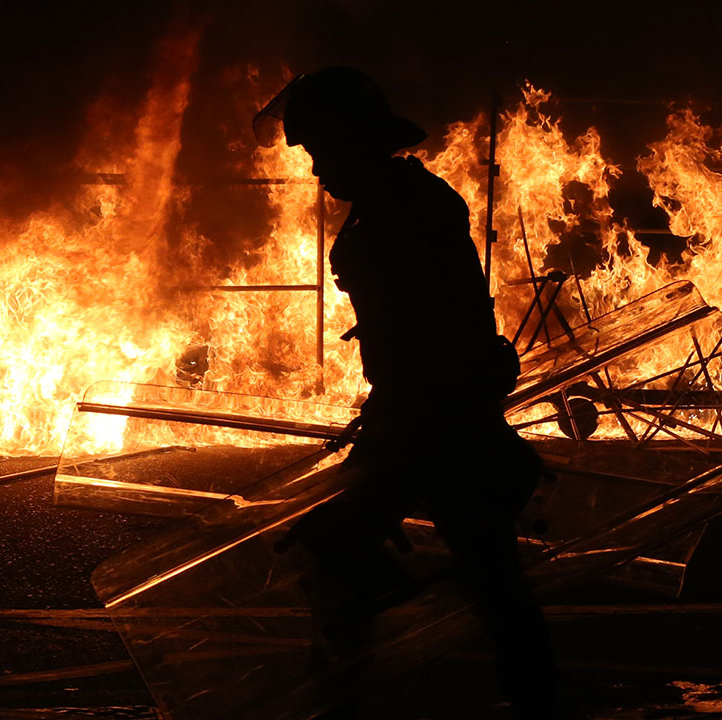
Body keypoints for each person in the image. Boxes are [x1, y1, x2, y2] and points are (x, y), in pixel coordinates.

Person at [265, 68, 558, 719]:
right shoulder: (397, 203)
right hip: (427, 413)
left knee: (374, 553)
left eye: (319, 151)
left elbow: (434, 331)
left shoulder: (406, 211)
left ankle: (360, 684)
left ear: (352, 141)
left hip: (435, 420)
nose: (316, 170)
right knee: (483, 573)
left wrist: (396, 422)